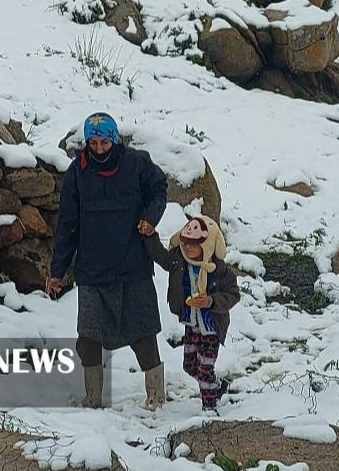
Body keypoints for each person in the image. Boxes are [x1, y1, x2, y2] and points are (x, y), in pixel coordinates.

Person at [46, 112, 169, 411]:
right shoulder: (77, 172)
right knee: (88, 335)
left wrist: (150, 218)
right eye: (93, 142)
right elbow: (68, 224)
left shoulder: (137, 163)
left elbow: (159, 189)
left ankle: (156, 395)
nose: (99, 149)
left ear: (114, 140)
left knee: (143, 330)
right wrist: (57, 270)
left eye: (104, 142)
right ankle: (93, 397)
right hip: (92, 268)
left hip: (133, 263)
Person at [144, 215, 240, 411]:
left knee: (205, 368)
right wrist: (150, 236)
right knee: (190, 366)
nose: (188, 247)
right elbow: (161, 257)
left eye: (194, 244)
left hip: (212, 325)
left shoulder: (219, 270)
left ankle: (209, 408)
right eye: (185, 242)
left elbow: (233, 294)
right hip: (192, 324)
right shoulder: (179, 261)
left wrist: (211, 301)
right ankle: (216, 386)